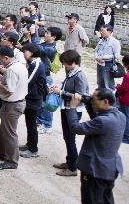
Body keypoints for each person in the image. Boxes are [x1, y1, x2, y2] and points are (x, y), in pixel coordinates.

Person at [67, 88, 125, 204]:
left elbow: (76, 128)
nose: (92, 101)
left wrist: (72, 107)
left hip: (96, 170)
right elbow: (97, 121)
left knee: (91, 200)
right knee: (106, 199)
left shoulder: (103, 121)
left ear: (105, 102)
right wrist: (89, 104)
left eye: (94, 100)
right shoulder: (120, 116)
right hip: (109, 170)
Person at [51, 49, 90, 177]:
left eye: (65, 63)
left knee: (70, 139)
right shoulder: (72, 72)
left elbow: (81, 96)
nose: (64, 66)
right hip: (66, 108)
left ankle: (73, 168)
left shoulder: (80, 76)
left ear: (72, 62)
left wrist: (61, 93)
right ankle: (70, 162)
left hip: (73, 110)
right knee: (67, 138)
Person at [0, 45, 28, 170]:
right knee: (5, 130)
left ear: (6, 58)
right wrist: (2, 78)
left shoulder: (11, 70)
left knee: (10, 133)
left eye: (0, 60)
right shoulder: (20, 66)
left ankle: (12, 161)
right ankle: (3, 154)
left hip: (12, 104)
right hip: (16, 102)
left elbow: (10, 89)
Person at [20, 43, 47, 158]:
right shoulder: (33, 63)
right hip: (31, 97)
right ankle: (29, 144)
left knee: (31, 124)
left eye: (25, 51)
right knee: (29, 122)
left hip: (34, 98)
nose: (23, 53)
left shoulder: (36, 64)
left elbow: (28, 80)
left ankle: (33, 149)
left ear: (31, 52)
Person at [94, 25, 122, 91]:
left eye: (103, 31)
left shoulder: (115, 42)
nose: (101, 32)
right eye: (100, 30)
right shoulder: (101, 40)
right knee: (100, 83)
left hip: (108, 66)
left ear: (109, 32)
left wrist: (104, 57)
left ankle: (111, 100)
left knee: (108, 85)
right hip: (99, 64)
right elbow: (96, 50)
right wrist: (96, 57)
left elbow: (117, 56)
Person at [115, 56, 129, 144]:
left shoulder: (127, 75)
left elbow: (124, 89)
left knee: (125, 117)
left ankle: (126, 137)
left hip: (126, 99)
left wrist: (118, 87)